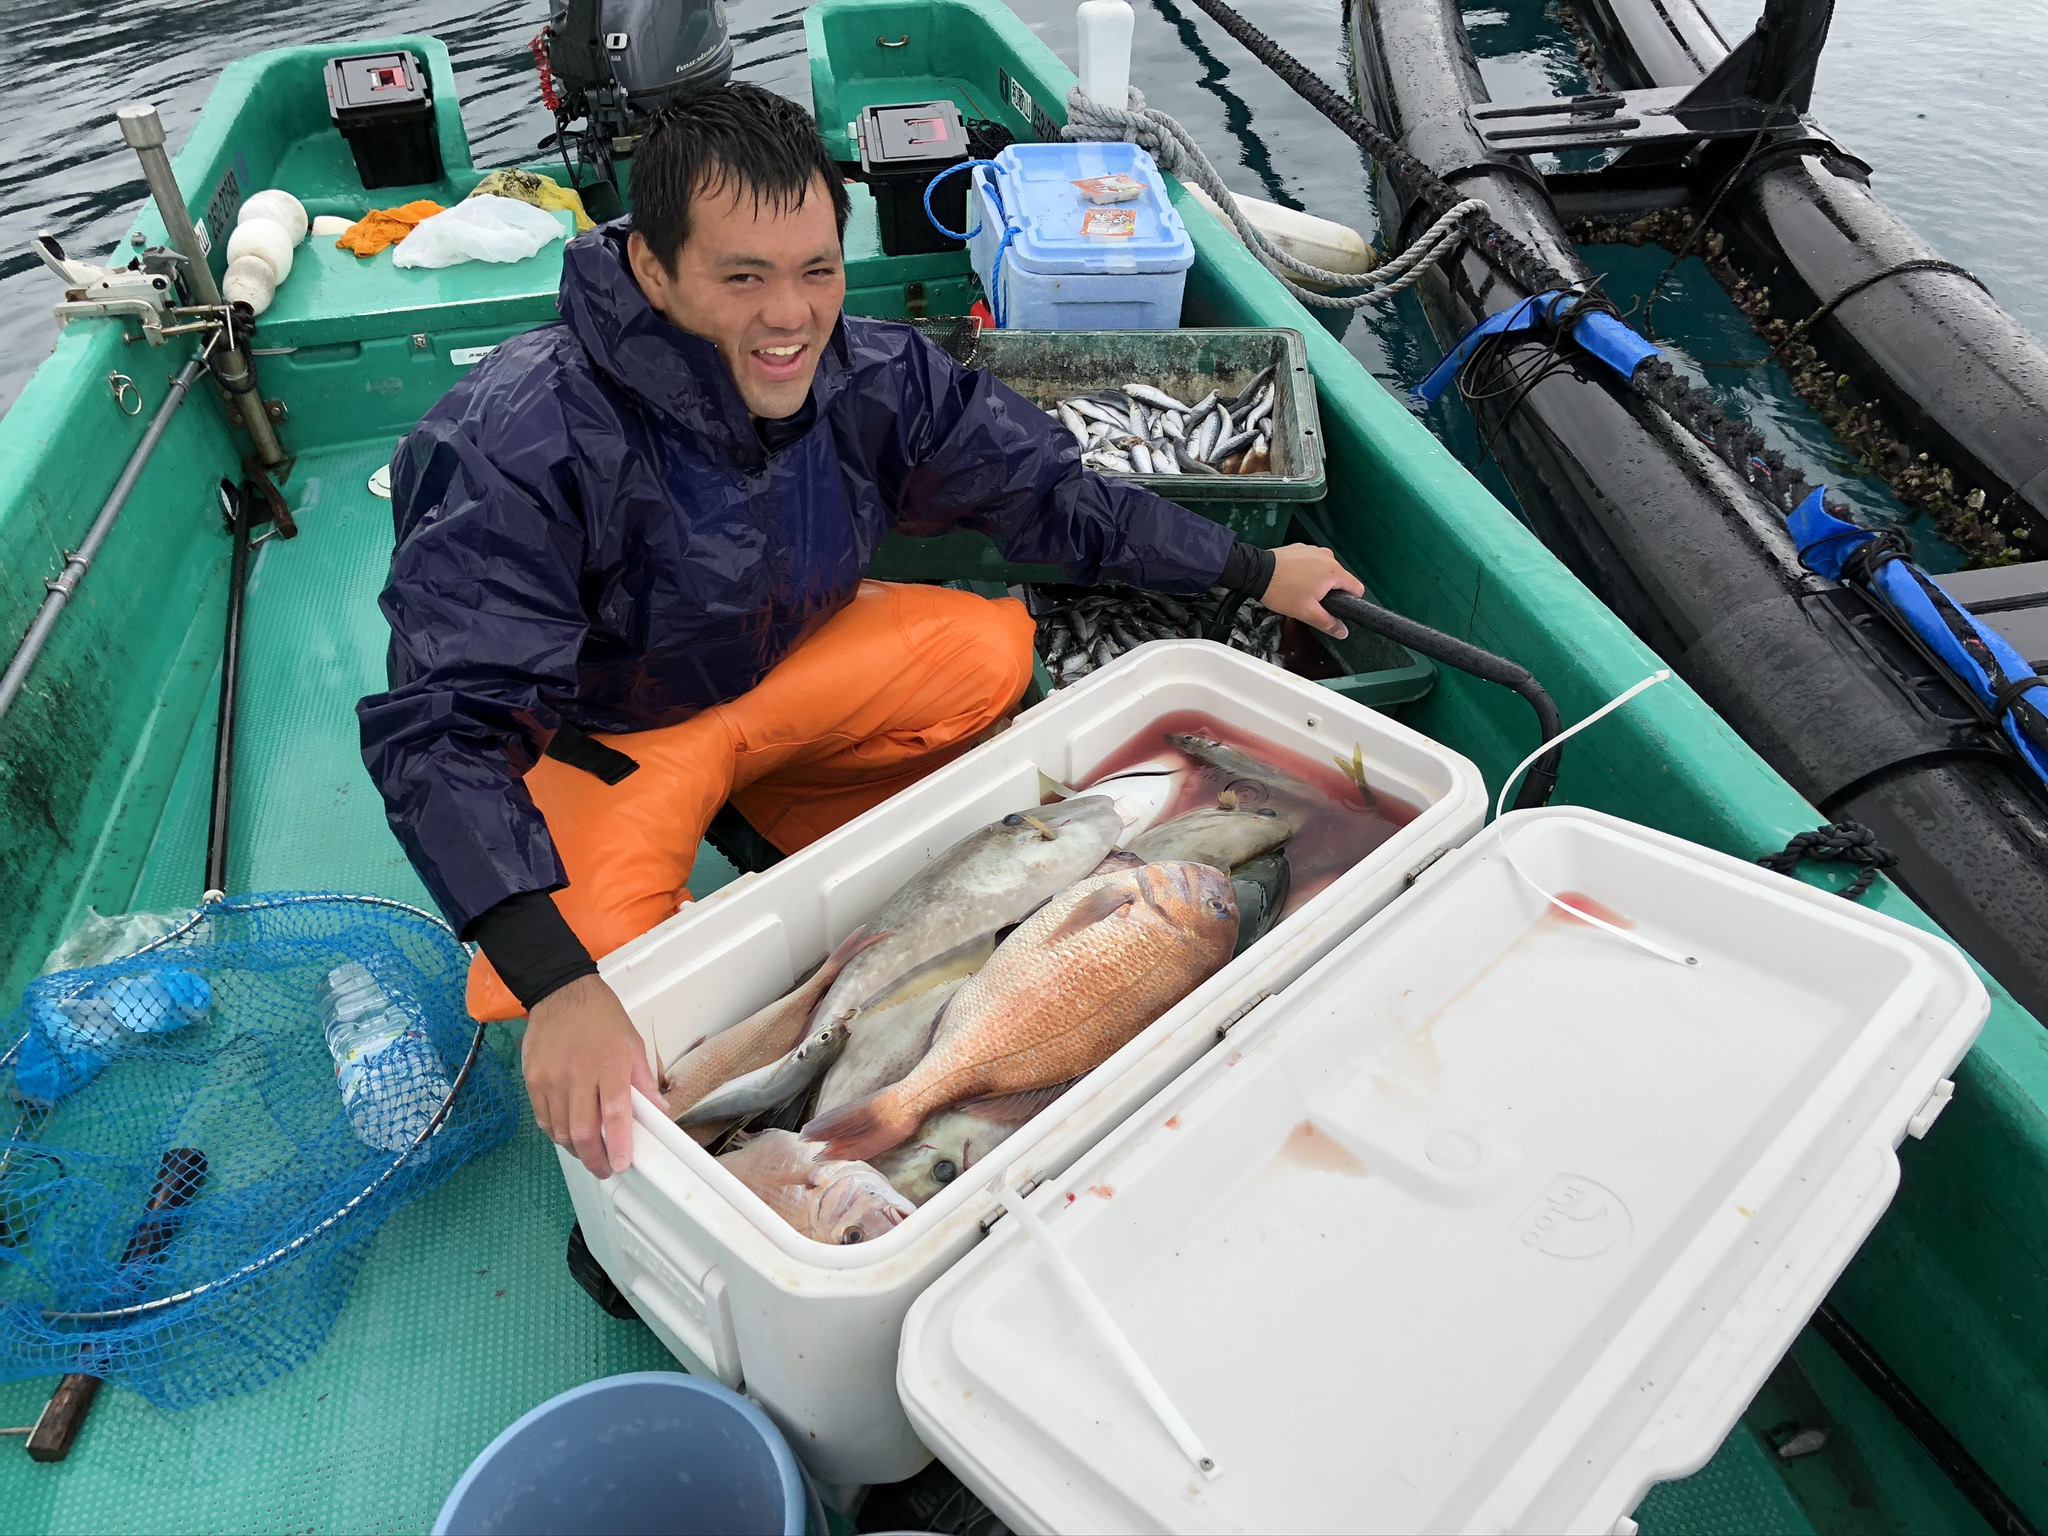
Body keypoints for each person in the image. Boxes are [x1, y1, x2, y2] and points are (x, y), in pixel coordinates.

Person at [358, 83, 1362, 1179]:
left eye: (814, 270)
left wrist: (1258, 569)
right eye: (741, 277)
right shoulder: (517, 439)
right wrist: (558, 986)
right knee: (606, 989)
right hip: (612, 734)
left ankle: (798, 815)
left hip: (778, 671)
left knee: (986, 655)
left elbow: (1052, 497)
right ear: (652, 268)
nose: (788, 316)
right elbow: (443, 732)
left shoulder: (877, 375)